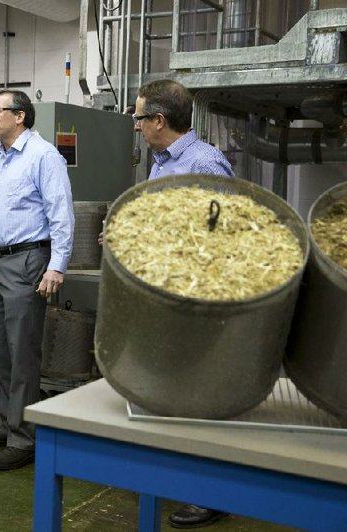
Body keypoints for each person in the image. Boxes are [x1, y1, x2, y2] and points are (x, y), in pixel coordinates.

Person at [0, 90, 74, 471]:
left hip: (28, 261)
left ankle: (24, 439)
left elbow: (61, 215)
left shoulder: (43, 157)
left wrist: (56, 266)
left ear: (19, 116)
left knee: (23, 353)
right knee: (3, 351)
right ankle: (9, 422)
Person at [134, 79, 234, 529]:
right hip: (161, 295)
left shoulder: (204, 162)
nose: (135, 125)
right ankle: (176, 475)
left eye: (138, 117)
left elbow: (223, 236)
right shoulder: (160, 163)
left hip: (196, 299)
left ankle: (209, 493)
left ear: (159, 120)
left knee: (199, 396)